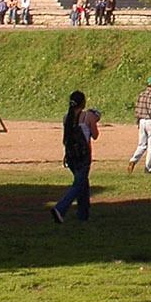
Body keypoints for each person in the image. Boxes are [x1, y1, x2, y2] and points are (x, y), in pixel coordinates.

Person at [53, 91, 96, 222]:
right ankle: (60, 208)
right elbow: (95, 135)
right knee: (78, 185)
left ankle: (83, 215)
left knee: (83, 184)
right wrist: (95, 119)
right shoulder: (87, 116)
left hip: (71, 156)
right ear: (83, 103)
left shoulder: (66, 118)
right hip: (83, 155)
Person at [129, 77, 151, 174]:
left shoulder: (141, 95)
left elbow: (137, 110)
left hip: (142, 121)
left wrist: (138, 122)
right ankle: (148, 168)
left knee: (142, 145)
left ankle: (133, 160)